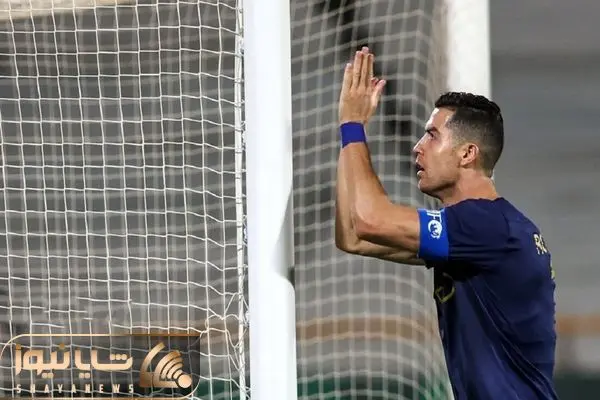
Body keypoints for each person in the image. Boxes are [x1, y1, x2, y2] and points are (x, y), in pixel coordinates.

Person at [335, 47, 558, 399]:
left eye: (432, 135)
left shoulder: (487, 226)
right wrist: (348, 131)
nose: (418, 147)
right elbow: (352, 236)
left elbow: (368, 220)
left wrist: (352, 125)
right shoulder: (478, 234)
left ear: (467, 153)